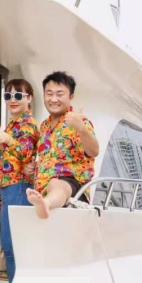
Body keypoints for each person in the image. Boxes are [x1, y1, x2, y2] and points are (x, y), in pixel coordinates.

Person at [26, 71, 99, 220]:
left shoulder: (79, 121)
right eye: (49, 94)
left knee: (57, 183)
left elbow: (94, 151)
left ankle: (46, 204)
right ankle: (45, 203)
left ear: (71, 97)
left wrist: (81, 128)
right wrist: (32, 168)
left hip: (73, 192)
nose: (53, 99)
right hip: (45, 191)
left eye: (59, 94)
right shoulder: (44, 126)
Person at [0, 79, 39, 283]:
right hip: (10, 188)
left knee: (14, 246)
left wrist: (8, 139)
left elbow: (25, 152)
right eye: (8, 95)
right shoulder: (14, 123)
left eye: (18, 95)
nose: (12, 100)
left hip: (18, 187)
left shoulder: (28, 124)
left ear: (29, 98)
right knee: (11, 246)